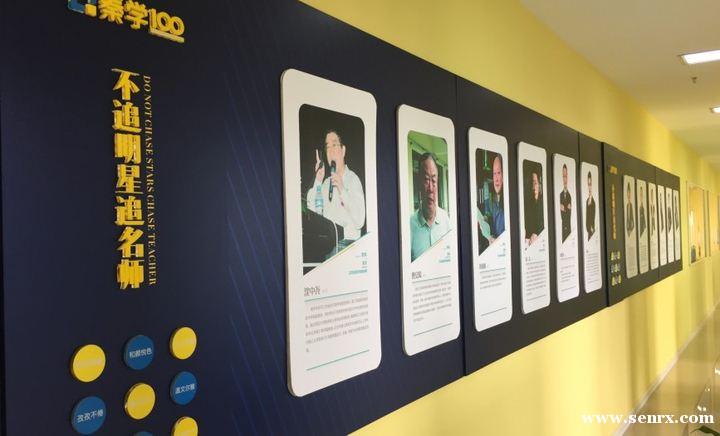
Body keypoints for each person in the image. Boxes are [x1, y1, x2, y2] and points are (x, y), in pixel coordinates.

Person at [306, 130, 366, 258]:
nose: (330, 151)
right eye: (327, 147)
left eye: (334, 145)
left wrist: (342, 190)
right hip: (327, 247)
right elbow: (311, 212)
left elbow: (360, 220)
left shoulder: (352, 179)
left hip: (348, 247)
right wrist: (318, 180)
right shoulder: (325, 183)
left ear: (343, 150)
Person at [410, 153, 451, 261]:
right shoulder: (410, 226)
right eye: (426, 179)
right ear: (419, 183)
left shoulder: (446, 220)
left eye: (433, 180)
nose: (431, 188)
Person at [482, 155, 505, 243]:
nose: (496, 179)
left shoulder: (511, 201)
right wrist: (487, 218)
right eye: (494, 174)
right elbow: (494, 221)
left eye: (499, 173)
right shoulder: (494, 199)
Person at [524, 168, 544, 246]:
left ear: (539, 184)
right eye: (532, 182)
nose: (534, 185)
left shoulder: (543, 201)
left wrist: (536, 233)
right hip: (529, 242)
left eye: (536, 182)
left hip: (541, 240)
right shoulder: (528, 203)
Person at [559, 164, 572, 242]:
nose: (565, 179)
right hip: (561, 232)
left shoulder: (570, 196)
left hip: (569, 232)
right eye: (563, 176)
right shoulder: (559, 195)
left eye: (566, 176)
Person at [585, 171, 596, 240]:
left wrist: (592, 228)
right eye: (588, 184)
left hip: (593, 232)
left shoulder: (594, 202)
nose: (589, 187)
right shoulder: (587, 201)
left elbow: (593, 217)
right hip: (589, 232)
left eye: (590, 184)